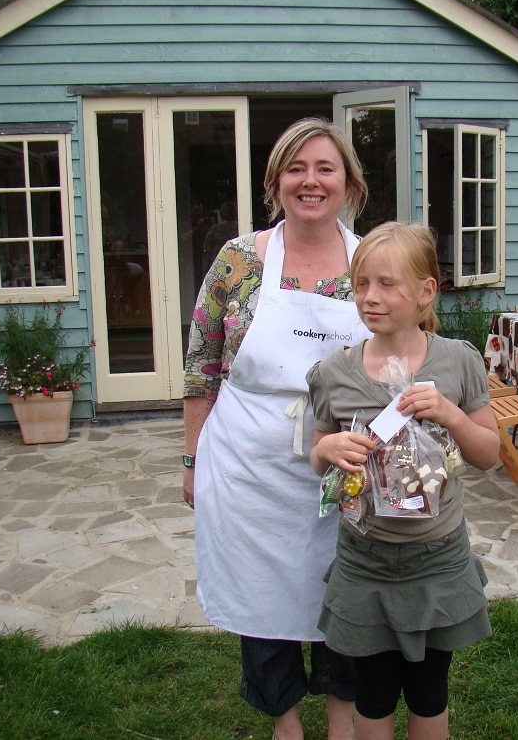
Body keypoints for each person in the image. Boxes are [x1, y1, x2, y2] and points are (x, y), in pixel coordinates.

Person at [183, 118, 371, 740]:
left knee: (347, 597)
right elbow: (201, 367)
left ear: (347, 183)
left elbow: (404, 357)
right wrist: (192, 459)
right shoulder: (238, 261)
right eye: (296, 168)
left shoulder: (372, 260)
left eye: (325, 169)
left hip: (349, 464)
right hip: (249, 465)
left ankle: (342, 723)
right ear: (276, 181)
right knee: (262, 599)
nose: (310, 181)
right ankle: (285, 723)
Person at [305, 222, 501, 740]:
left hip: (437, 556)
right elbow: (316, 453)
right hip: (365, 559)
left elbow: (489, 455)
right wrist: (327, 449)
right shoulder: (333, 373)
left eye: (387, 284)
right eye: (361, 283)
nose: (370, 297)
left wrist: (451, 414)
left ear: (425, 291)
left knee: (429, 692)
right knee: (371, 695)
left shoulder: (458, 361)